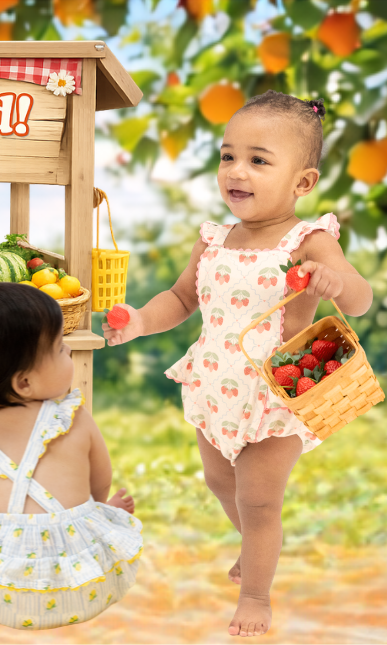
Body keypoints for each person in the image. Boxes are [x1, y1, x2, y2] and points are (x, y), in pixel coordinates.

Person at [106, 91, 372, 637]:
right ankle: (256, 547)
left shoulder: (309, 238)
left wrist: (335, 282)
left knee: (257, 498)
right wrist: (137, 320)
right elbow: (180, 300)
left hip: (275, 393)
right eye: (228, 156)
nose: (236, 171)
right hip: (215, 385)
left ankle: (255, 593)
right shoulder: (215, 237)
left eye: (258, 160)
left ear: (302, 183)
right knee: (217, 480)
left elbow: (361, 297)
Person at [0, 282, 143, 629]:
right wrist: (97, 513)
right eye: (61, 348)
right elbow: (99, 479)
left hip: (4, 593)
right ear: (25, 383)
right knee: (105, 516)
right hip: (84, 588)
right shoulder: (71, 416)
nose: (71, 351)